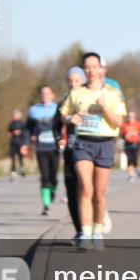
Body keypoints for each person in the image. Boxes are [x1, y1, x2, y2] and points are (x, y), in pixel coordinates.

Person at [60, 52, 126, 250]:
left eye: (94, 66)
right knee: (85, 187)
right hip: (83, 143)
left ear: (100, 69)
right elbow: (63, 113)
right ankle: (85, 232)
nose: (90, 71)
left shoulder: (113, 94)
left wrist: (104, 106)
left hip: (105, 143)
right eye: (86, 67)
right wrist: (70, 118)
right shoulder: (76, 93)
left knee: (99, 193)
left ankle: (97, 230)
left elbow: (119, 121)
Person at [53, 66, 86, 240]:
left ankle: (93, 224)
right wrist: (59, 138)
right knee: (72, 189)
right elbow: (55, 125)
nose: (73, 84)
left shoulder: (91, 98)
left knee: (87, 188)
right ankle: (80, 229)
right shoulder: (64, 102)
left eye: (77, 81)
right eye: (70, 81)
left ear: (83, 81)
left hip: (89, 147)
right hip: (71, 148)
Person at [27, 86, 60, 215]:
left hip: (54, 148)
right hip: (41, 148)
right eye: (43, 93)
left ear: (52, 95)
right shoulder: (33, 110)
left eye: (47, 93)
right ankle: (46, 205)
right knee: (44, 177)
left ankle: (52, 191)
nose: (45, 95)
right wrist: (29, 139)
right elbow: (28, 128)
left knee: (54, 178)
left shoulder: (57, 108)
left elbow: (62, 125)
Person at [120, 111, 140, 182]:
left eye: (132, 116)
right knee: (129, 159)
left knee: (135, 158)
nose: (131, 118)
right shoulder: (125, 125)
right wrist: (125, 136)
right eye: (129, 116)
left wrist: (135, 133)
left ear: (135, 117)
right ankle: (131, 175)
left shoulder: (138, 124)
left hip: (136, 143)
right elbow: (122, 134)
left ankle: (137, 168)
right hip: (127, 144)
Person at [7, 109, 27, 181]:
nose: (15, 117)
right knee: (13, 158)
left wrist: (20, 132)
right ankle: (13, 173)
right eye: (14, 115)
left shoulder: (22, 124)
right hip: (13, 143)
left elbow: (25, 133)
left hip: (20, 143)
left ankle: (22, 169)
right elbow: (9, 133)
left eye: (16, 115)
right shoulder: (11, 124)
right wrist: (11, 134)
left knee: (20, 157)